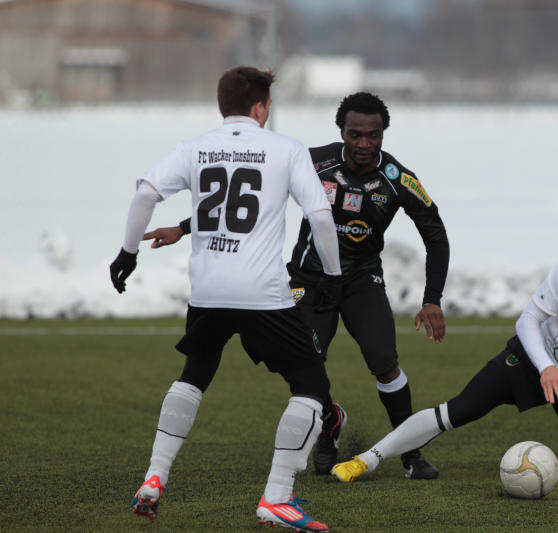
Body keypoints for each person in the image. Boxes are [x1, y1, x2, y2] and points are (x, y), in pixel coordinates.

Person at [143, 92, 450, 480]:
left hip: (362, 280)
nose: (363, 144)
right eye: (354, 134)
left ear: (383, 134)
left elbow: (436, 235)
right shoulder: (311, 161)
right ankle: (330, 420)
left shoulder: (398, 178)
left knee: (384, 363)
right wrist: (183, 227)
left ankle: (410, 453)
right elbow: (250, 199)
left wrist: (432, 299)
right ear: (341, 132)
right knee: (303, 363)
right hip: (310, 278)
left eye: (372, 135)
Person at [109, 66, 342, 531]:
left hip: (208, 291)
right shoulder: (287, 149)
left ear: (223, 105)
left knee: (194, 374)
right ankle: (277, 497)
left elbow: (145, 194)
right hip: (262, 293)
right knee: (312, 386)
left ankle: (155, 476)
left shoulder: (194, 148)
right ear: (260, 107)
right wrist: (333, 278)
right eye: (267, 104)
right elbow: (319, 217)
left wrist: (128, 252)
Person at [330, 206, 558, 486]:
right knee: (458, 410)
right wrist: (546, 366)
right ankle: (366, 460)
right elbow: (527, 321)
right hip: (533, 360)